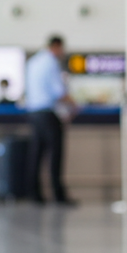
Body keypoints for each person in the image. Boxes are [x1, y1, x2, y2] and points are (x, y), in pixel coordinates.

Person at [24, 35, 78, 205]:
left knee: (36, 154)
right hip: (48, 114)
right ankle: (58, 195)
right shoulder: (51, 62)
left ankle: (35, 194)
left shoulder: (33, 62)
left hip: (34, 113)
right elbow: (58, 92)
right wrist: (74, 106)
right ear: (56, 46)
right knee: (56, 155)